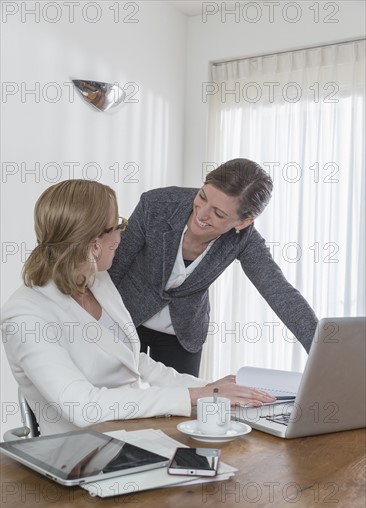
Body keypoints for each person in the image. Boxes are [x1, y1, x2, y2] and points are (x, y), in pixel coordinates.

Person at [0, 179, 276, 436]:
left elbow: (133, 361)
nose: (123, 233)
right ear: (94, 244)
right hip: (80, 454)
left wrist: (207, 388)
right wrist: (192, 397)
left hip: (134, 435)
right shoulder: (26, 315)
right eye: (117, 225)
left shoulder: (98, 281)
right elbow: (83, 406)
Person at [109, 158, 318, 377]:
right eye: (202, 197)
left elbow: (280, 293)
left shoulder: (244, 240)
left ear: (243, 222)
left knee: (182, 405)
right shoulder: (156, 205)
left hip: (182, 332)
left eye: (218, 214)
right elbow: (115, 265)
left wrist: (323, 352)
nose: (201, 214)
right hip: (126, 318)